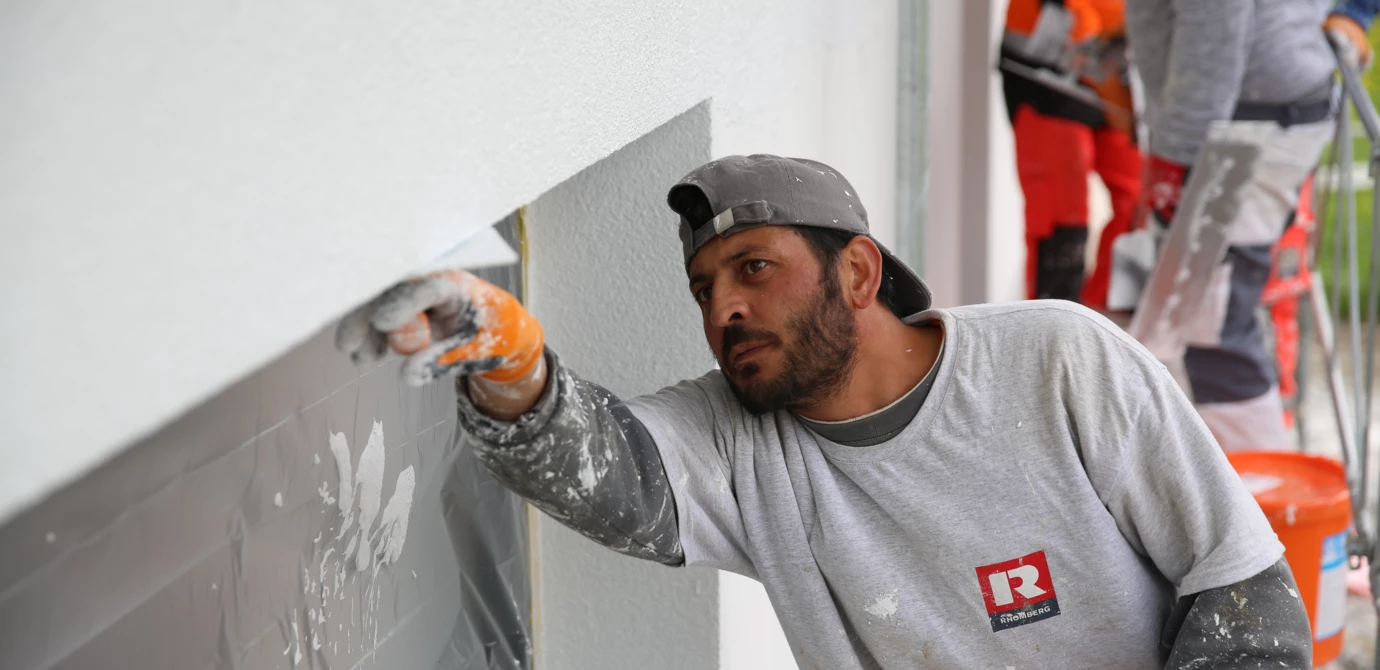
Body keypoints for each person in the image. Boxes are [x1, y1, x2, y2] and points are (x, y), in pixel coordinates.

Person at [338, 155, 1312, 668]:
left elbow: (1243, 592)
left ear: (857, 273)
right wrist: (509, 360)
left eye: (754, 268)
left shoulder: (1059, 359)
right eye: (704, 287)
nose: (723, 308)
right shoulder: (734, 443)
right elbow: (611, 472)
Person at [1123, 0, 1339, 452]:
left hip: (1239, 126)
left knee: (1212, 334)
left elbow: (1214, 26)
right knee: (1194, 322)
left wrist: (1174, 157)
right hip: (1249, 114)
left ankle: (1256, 491)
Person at [999, 0, 1142, 308]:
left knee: (1139, 203)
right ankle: (1050, 324)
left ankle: (1105, 316)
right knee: (1062, 221)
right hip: (1045, 77)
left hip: (1118, 69)